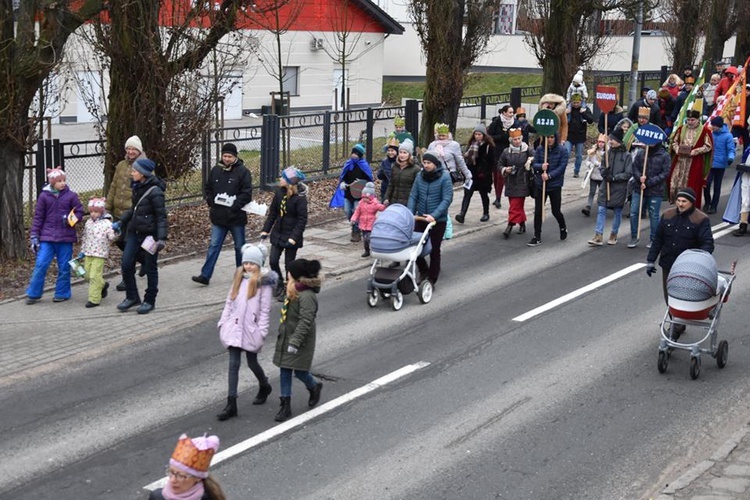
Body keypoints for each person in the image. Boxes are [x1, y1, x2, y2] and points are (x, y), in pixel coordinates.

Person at [216, 244, 276, 422]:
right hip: (234, 327)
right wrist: (222, 322)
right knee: (233, 364)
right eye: (246, 263)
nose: (248, 266)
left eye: (252, 263)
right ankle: (231, 403)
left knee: (251, 362)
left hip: (251, 330)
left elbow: (265, 311)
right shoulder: (238, 278)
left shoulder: (263, 285)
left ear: (259, 264)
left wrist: (262, 332)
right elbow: (229, 301)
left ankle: (264, 385)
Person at [192, 142, 253, 286]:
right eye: (225, 156)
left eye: (229, 156)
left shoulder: (243, 172)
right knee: (214, 246)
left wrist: (234, 206)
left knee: (239, 247)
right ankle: (205, 275)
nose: (226, 159)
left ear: (235, 157)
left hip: (236, 217)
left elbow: (246, 194)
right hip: (218, 217)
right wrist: (211, 201)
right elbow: (208, 188)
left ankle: (242, 274)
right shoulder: (216, 170)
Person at [646, 187, 714, 314]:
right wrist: (650, 260)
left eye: (684, 201)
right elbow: (658, 239)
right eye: (678, 200)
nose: (680, 204)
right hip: (668, 263)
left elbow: (707, 245)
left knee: (683, 298)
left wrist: (698, 264)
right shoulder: (667, 215)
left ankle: (676, 326)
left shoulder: (701, 219)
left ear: (692, 202)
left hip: (687, 268)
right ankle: (675, 323)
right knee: (669, 296)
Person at [113, 158, 167, 315]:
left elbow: (161, 216)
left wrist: (161, 238)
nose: (132, 173)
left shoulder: (155, 192)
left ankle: (149, 300)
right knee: (126, 264)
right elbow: (134, 209)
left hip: (150, 236)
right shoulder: (137, 186)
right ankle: (132, 297)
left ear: (143, 173)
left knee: (150, 268)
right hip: (134, 232)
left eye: (135, 171)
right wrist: (121, 222)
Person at [273, 258, 324, 422]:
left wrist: (295, 342)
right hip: (288, 337)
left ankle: (314, 386)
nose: (286, 273)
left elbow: (305, 321)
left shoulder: (307, 296)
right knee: (285, 369)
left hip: (300, 340)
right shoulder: (294, 290)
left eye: (289, 271)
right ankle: (285, 405)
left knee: (300, 371)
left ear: (296, 276)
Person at [26, 168, 84, 304]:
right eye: (59, 181)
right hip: (47, 237)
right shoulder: (44, 197)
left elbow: (80, 212)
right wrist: (35, 235)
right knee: (41, 264)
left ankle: (62, 293)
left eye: (64, 180)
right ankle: (34, 293)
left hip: (65, 238)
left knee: (64, 267)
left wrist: (72, 219)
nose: (62, 183)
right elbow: (38, 217)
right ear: (52, 182)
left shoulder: (71, 196)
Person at [107, 135, 147, 291]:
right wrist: (107, 207)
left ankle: (126, 278)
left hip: (132, 214)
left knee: (128, 246)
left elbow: (149, 189)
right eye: (128, 148)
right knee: (119, 241)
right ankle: (144, 259)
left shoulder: (143, 166)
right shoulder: (121, 165)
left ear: (139, 150)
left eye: (133, 149)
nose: (130, 151)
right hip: (118, 213)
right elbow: (113, 187)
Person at [261, 167, 308, 300]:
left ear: (289, 182)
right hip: (278, 233)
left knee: (289, 265)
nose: (280, 180)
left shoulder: (299, 198)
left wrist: (294, 238)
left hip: (291, 235)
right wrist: (266, 229)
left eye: (282, 178)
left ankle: (289, 288)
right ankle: (280, 283)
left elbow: (302, 220)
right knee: (273, 260)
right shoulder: (279, 193)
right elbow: (273, 213)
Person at [407, 149, 453, 285]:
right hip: (421, 218)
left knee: (434, 250)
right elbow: (413, 195)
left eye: (429, 163)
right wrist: (410, 213)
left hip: (437, 220)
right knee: (415, 247)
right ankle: (423, 270)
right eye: (424, 162)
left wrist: (434, 215)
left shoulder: (444, 177)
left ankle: (432, 278)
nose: (426, 165)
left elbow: (447, 198)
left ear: (435, 163)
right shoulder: (420, 176)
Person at [587, 127, 633, 246]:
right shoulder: (607, 154)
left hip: (619, 188)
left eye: (612, 139)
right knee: (601, 209)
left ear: (618, 140)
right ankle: (598, 235)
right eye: (610, 139)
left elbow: (628, 173)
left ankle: (614, 234)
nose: (610, 141)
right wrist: (605, 173)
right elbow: (602, 167)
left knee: (617, 211)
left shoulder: (627, 156)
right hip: (605, 186)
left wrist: (614, 178)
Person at [150, 433, 225, 500]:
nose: (172, 480)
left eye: (181, 476)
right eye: (171, 472)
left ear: (198, 478)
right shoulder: (157, 497)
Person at [627, 141, 670, 248]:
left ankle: (654, 239)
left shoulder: (664, 155)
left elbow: (665, 173)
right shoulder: (641, 153)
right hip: (639, 188)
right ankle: (634, 237)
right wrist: (639, 178)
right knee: (634, 212)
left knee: (654, 215)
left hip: (655, 191)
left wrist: (649, 182)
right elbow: (635, 168)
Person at [527, 134, 568, 247]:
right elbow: (535, 164)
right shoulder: (540, 149)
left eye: (551, 137)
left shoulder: (562, 151)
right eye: (547, 137)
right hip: (541, 185)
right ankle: (537, 236)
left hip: (555, 185)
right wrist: (541, 167)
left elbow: (562, 167)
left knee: (556, 211)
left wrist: (549, 175)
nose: (549, 140)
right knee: (538, 211)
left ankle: (563, 226)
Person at [668, 109, 713, 208]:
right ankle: (679, 205)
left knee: (692, 184)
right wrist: (676, 149)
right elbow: (674, 142)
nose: (690, 122)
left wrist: (695, 151)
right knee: (675, 183)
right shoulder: (681, 129)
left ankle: (691, 207)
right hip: (680, 162)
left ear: (698, 120)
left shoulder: (705, 131)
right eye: (688, 120)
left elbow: (708, 146)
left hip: (694, 162)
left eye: (692, 120)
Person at [329, 143, 373, 243]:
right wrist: (343, 183)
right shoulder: (348, 164)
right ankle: (356, 224)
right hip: (348, 193)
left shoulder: (364, 165)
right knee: (347, 211)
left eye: (357, 153)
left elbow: (369, 180)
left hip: (359, 195)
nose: (354, 155)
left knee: (355, 211)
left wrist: (361, 183)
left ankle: (356, 231)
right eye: (353, 152)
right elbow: (343, 176)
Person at [79, 197, 117, 308]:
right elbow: (85, 237)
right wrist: (82, 251)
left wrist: (116, 230)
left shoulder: (107, 223)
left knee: (94, 275)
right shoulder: (88, 223)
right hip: (88, 252)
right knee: (86, 275)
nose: (93, 214)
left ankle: (94, 299)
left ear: (101, 211)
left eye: (95, 212)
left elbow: (112, 237)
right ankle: (103, 284)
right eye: (91, 212)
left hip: (100, 253)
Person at [456, 124, 495, 223]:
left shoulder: (488, 146)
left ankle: (486, 213)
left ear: (484, 135)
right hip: (471, 173)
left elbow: (491, 162)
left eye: (479, 134)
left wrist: (485, 173)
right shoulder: (471, 144)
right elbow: (467, 158)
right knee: (467, 194)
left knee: (483, 194)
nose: (477, 136)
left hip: (482, 175)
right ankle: (462, 214)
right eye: (476, 134)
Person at [499, 128, 533, 237]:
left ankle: (510, 225)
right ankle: (522, 223)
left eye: (518, 139)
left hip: (522, 182)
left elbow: (536, 157)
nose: (517, 141)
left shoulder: (527, 149)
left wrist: (530, 161)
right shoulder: (506, 151)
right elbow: (499, 164)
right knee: (517, 206)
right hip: (510, 182)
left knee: (514, 206)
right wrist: (505, 169)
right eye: (515, 139)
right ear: (511, 140)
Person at [704, 116, 736, 214]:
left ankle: (714, 206)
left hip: (720, 165)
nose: (712, 127)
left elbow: (731, 149)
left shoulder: (728, 136)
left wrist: (730, 158)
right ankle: (707, 202)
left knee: (717, 186)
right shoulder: (711, 134)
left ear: (719, 126)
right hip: (710, 164)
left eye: (714, 125)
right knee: (706, 184)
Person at [487, 105, 517, 207]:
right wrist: (501, 137)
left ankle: (512, 197)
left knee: (509, 174)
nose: (512, 114)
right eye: (510, 112)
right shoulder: (496, 122)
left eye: (512, 112)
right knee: (498, 175)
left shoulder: (514, 123)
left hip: (510, 151)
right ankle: (498, 197)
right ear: (504, 112)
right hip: (497, 151)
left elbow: (518, 135)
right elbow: (489, 136)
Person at [350, 182, 385, 257]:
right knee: (365, 240)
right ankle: (367, 250)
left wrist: (385, 205)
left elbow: (381, 208)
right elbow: (357, 212)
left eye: (366, 197)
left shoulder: (375, 204)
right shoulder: (361, 204)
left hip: (371, 224)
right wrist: (353, 219)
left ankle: (374, 249)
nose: (365, 199)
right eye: (363, 197)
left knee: (368, 238)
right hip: (363, 224)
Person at [566, 93, 595, 177]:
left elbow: (590, 120)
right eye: (573, 103)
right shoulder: (568, 109)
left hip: (580, 136)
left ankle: (576, 171)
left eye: (577, 103)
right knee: (566, 153)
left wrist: (583, 113)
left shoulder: (585, 109)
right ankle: (563, 169)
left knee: (578, 155)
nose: (575, 104)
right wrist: (565, 113)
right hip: (569, 135)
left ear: (580, 102)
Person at [384, 139, 419, 207]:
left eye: (405, 153)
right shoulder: (395, 167)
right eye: (400, 152)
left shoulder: (415, 169)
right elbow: (391, 184)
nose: (402, 155)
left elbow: (416, 188)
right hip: (394, 202)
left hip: (408, 203)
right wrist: (387, 197)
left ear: (409, 154)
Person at [581, 134, 607, 217]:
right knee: (592, 191)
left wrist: (599, 164)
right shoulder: (593, 151)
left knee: (601, 192)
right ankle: (588, 206)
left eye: (603, 142)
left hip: (602, 176)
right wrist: (590, 164)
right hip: (593, 175)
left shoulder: (607, 153)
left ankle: (602, 207)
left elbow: (608, 164)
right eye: (599, 142)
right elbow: (587, 160)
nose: (601, 144)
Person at [378, 137, 398, 202]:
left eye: (392, 151)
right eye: (389, 151)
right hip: (386, 188)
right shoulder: (385, 162)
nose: (390, 153)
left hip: (396, 189)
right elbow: (380, 176)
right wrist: (382, 173)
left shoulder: (399, 161)